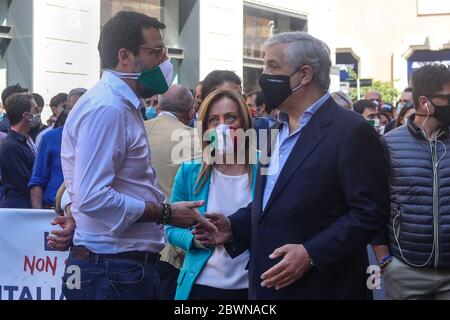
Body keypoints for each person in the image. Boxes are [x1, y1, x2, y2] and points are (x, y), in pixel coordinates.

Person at [194, 31, 389, 300]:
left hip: (322, 289)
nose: (263, 75)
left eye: (272, 66)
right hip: (267, 287)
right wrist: (234, 226)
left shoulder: (351, 130)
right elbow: (271, 203)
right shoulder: (274, 131)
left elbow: (369, 213)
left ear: (305, 75)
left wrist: (311, 253)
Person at [60, 11, 215, 300]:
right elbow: (93, 196)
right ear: (125, 56)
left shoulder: (119, 106)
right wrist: (167, 213)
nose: (164, 62)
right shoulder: (109, 109)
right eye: (156, 52)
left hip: (115, 269)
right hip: (113, 271)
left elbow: (82, 188)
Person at [167, 89, 258, 300]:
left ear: (244, 123)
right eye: (213, 120)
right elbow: (170, 227)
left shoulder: (265, 168)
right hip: (201, 286)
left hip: (252, 287)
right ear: (205, 128)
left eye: (230, 117)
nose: (222, 126)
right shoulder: (190, 170)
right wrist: (196, 240)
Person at [372, 64, 450, 300]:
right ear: (425, 102)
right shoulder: (389, 143)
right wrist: (385, 261)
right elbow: (374, 205)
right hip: (405, 272)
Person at [144, 84, 199, 300]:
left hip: (126, 247)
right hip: (173, 250)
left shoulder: (133, 129)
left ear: (158, 106)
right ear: (190, 112)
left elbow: (69, 188)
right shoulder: (196, 139)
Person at [29, 88, 87, 209]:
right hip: (52, 211)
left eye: (82, 106)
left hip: (87, 210)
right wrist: (37, 216)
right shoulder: (50, 138)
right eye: (72, 107)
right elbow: (37, 180)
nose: (77, 112)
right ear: (67, 110)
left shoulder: (99, 138)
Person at [0, 93, 39, 208]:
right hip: (20, 208)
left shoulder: (27, 140)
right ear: (27, 115)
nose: (38, 114)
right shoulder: (10, 145)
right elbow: (25, 182)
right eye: (36, 110)